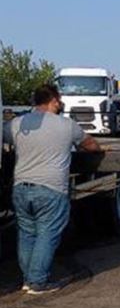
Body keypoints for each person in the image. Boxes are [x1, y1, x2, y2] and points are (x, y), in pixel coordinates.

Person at [3, 84, 102, 294]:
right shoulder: (66, 125)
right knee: (47, 234)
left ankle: (28, 279)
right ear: (54, 100)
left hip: (21, 187)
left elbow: (5, 139)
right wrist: (97, 148)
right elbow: (91, 145)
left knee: (27, 233)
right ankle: (38, 282)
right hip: (51, 188)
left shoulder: (17, 124)